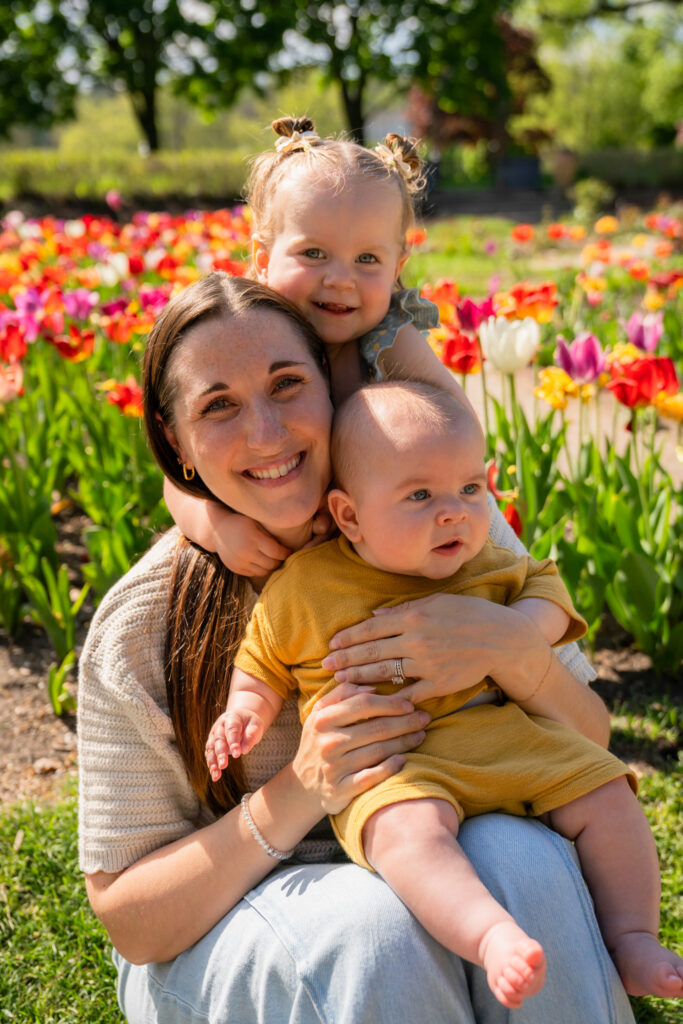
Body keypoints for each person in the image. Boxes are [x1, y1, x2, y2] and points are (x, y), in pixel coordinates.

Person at [78, 273, 639, 1023]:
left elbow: (591, 745)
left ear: (331, 388)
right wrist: (303, 788)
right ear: (175, 441)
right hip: (234, 920)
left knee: (526, 862)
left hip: (450, 843)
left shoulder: (446, 525)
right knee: (372, 931)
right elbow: (133, 922)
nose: (267, 433)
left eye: (287, 384)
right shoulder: (145, 620)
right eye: (218, 405)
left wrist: (512, 648)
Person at [207, 380, 683, 1008]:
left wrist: (512, 632)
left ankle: (632, 937)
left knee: (608, 794)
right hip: (399, 766)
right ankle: (489, 935)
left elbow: (547, 591)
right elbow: (262, 660)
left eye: (470, 488)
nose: (454, 511)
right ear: (350, 516)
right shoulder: (306, 587)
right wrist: (244, 711)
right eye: (420, 495)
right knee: (405, 834)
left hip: (513, 743)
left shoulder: (485, 560)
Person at [163, 115, 475, 578]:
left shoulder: (388, 340)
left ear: (397, 268)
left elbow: (461, 431)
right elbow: (177, 475)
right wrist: (216, 527)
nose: (341, 279)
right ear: (263, 259)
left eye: (367, 259)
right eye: (313, 253)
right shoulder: (241, 336)